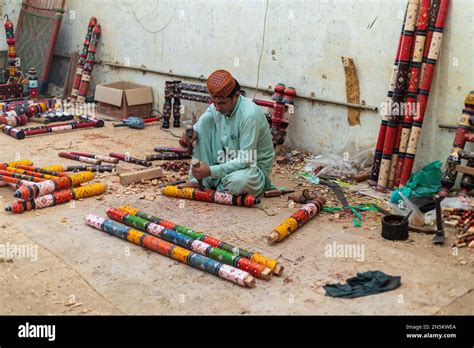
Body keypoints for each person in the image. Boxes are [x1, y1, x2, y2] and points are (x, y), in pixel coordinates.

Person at [179, 69, 275, 196]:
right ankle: (201, 181)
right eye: (214, 103)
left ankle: (214, 182)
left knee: (237, 184)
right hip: (226, 158)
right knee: (206, 121)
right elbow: (198, 129)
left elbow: (246, 159)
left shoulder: (249, 115)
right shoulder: (216, 109)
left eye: (222, 103)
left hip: (252, 167)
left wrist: (211, 171)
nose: (217, 108)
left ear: (236, 95)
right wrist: (190, 137)